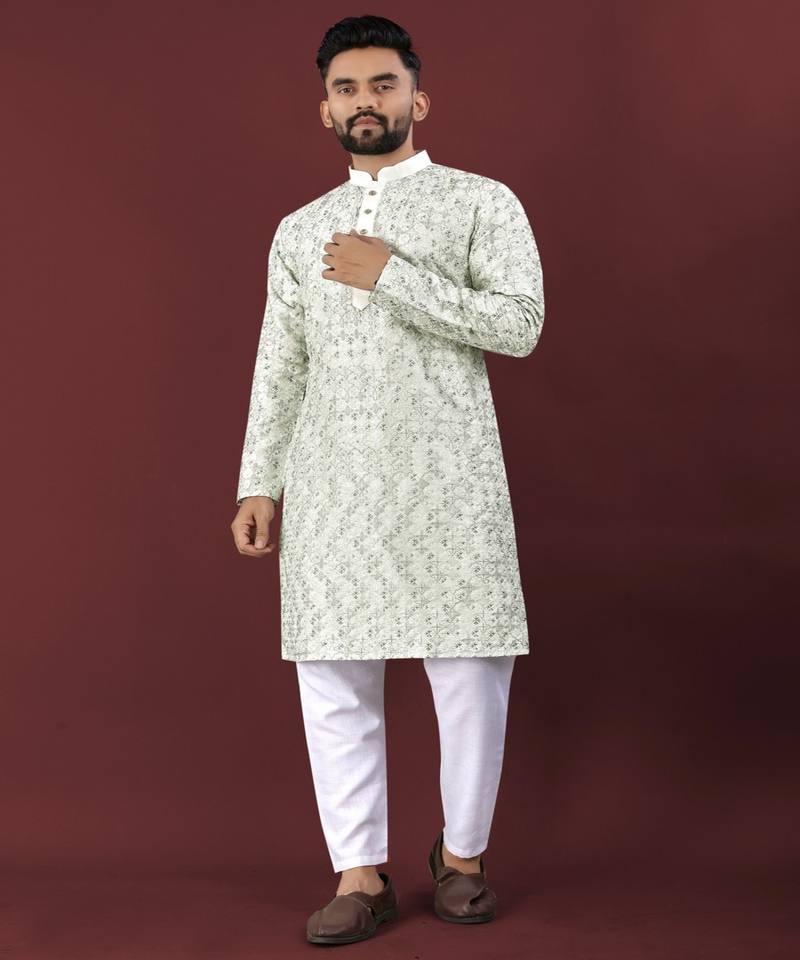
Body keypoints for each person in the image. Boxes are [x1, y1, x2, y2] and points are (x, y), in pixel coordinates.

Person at [231, 14, 545, 945]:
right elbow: (280, 364)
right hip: (332, 481)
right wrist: (259, 482)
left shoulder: (482, 203)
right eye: (347, 89)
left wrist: (391, 276)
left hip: (452, 477)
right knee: (332, 674)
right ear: (324, 110)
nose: (365, 102)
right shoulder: (299, 231)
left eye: (382, 84)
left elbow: (519, 325)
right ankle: (359, 874)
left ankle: (465, 858)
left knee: (471, 673)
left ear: (419, 98)